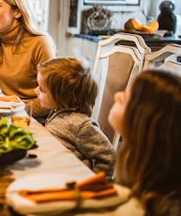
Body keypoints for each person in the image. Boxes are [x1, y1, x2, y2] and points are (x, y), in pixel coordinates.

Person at [108, 69, 181, 215]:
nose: (116, 95)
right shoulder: (133, 155)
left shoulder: (167, 204)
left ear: (141, 122)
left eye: (124, 99)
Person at [0, 0, 55, 117]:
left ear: (18, 12)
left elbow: (52, 96)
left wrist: (17, 111)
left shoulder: (40, 43)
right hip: (10, 109)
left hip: (38, 114)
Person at [36, 57, 116, 178]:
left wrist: (92, 182)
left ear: (61, 97)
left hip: (70, 180)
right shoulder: (57, 113)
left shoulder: (80, 126)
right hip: (51, 174)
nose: (35, 90)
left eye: (42, 90)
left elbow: (109, 157)